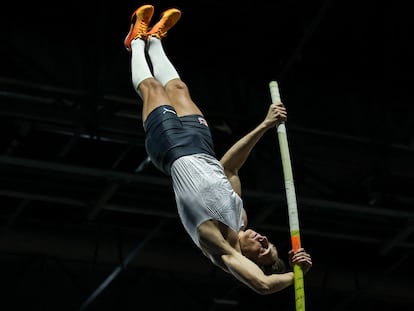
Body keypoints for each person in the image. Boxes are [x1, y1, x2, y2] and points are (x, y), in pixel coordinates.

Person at [124, 4, 312, 295]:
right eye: (269, 243)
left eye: (263, 251)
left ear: (248, 260)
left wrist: (296, 276)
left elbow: (263, 284)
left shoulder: (220, 248)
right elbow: (229, 168)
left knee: (153, 89)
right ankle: (155, 40)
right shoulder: (241, 217)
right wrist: (264, 125)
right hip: (202, 146)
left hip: (173, 151)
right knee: (179, 89)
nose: (263, 240)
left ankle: (135, 40)